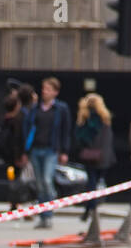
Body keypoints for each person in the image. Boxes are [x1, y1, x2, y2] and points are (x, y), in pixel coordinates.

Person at [27, 77, 71, 229]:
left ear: (55, 92)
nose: (44, 91)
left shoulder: (61, 109)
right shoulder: (35, 108)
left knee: (47, 180)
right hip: (35, 149)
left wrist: (64, 151)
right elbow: (28, 128)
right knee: (39, 184)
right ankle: (44, 217)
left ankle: (50, 209)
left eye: (47, 89)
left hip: (51, 150)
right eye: (43, 88)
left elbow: (65, 131)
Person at [73, 93, 115, 224]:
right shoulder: (105, 119)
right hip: (103, 156)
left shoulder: (85, 119)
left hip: (91, 157)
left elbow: (80, 138)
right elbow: (108, 141)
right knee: (95, 183)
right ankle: (91, 208)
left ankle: (90, 209)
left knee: (91, 183)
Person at [0, 90, 26, 210]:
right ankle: (16, 203)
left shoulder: (3, 120)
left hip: (5, 156)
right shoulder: (17, 121)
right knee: (17, 180)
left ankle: (13, 203)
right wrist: (20, 155)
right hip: (14, 156)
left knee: (11, 179)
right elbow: (18, 139)